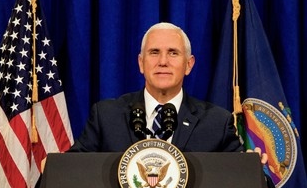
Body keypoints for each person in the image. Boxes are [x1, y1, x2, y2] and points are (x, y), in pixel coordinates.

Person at [68, 22, 266, 164]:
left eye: (173, 53)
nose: (163, 61)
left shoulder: (216, 122)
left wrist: (253, 168)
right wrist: (53, 166)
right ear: (140, 63)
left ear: (188, 65)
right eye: (154, 52)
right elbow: (71, 172)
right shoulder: (106, 116)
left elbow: (247, 185)